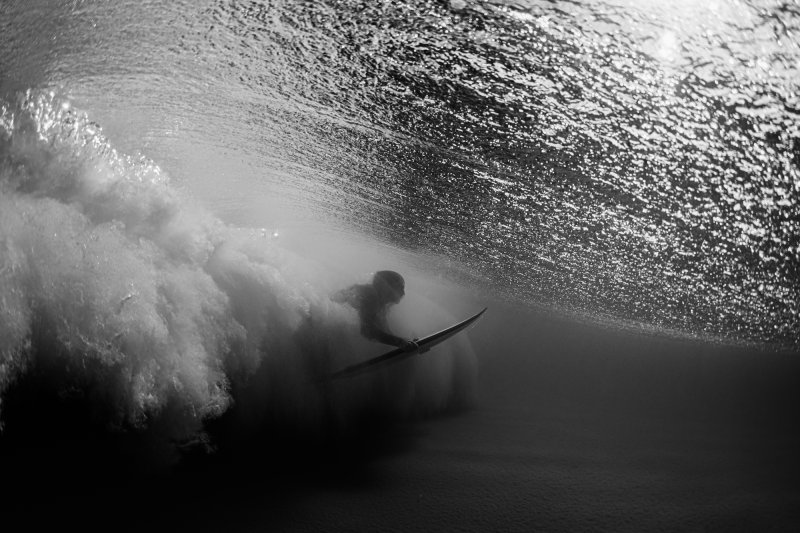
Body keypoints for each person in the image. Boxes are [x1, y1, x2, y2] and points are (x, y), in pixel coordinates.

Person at [331, 270, 419, 352]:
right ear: (387, 288)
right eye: (400, 287)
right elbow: (367, 332)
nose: (403, 293)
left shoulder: (380, 301)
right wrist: (400, 343)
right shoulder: (371, 296)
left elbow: (384, 329)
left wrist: (404, 341)